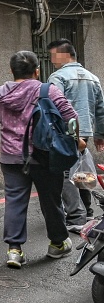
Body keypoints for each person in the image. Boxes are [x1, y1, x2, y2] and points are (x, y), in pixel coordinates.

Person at [0, 50, 78, 268]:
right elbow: (71, 117)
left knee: (14, 201)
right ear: (37, 70)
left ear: (12, 70)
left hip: (11, 156)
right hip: (43, 154)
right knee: (51, 200)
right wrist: (76, 139)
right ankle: (57, 243)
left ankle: (14, 250)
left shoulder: (1, 93)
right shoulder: (46, 90)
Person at [46, 39, 104, 231]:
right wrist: (99, 134)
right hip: (85, 132)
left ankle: (75, 217)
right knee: (81, 172)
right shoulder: (92, 77)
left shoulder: (58, 77)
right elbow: (101, 109)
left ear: (65, 54)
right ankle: (87, 210)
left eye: (53, 55)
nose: (52, 60)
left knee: (64, 174)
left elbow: (53, 107)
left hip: (65, 132)